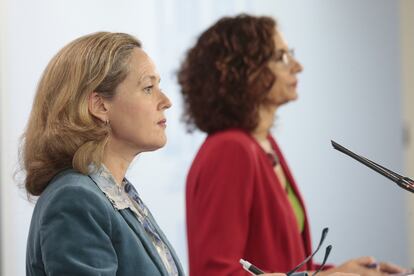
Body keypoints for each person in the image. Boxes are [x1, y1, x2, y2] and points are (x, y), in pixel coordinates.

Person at [22, 31, 283, 276]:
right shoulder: (75, 199)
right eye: (148, 88)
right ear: (100, 105)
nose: (166, 101)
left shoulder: (116, 194)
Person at [178, 14, 406, 276]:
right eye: (281, 57)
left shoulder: (263, 143)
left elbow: (286, 266)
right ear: (243, 71)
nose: (297, 66)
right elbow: (215, 272)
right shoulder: (230, 150)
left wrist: (347, 272)